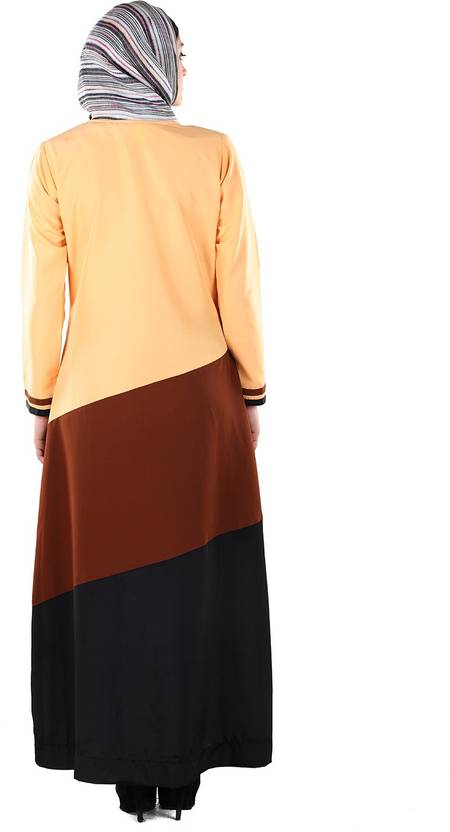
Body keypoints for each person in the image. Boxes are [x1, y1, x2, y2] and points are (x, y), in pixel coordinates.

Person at [21, 1, 272, 822]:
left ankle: (132, 790)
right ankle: (180, 786)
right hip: (199, 406)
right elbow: (239, 290)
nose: (186, 69)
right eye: (179, 54)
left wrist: (40, 400)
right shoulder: (213, 153)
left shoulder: (58, 160)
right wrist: (252, 391)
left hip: (91, 414)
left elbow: (43, 299)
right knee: (193, 588)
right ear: (149, 61)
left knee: (112, 592)